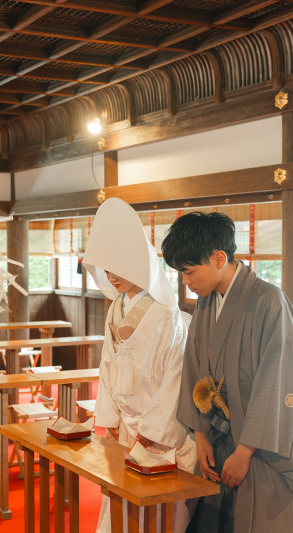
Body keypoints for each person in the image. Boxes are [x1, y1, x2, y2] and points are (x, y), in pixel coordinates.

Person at [161, 211, 293, 533]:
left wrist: (245, 452)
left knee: (259, 519)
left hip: (260, 451)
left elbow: (278, 380)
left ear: (219, 258)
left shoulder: (269, 302)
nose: (185, 281)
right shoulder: (207, 303)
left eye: (189, 271)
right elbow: (194, 368)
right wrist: (200, 435)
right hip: (219, 439)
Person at [82, 198, 198, 533]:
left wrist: (152, 432)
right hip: (127, 426)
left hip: (159, 430)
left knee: (157, 512)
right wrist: (110, 417)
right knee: (119, 505)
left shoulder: (165, 314)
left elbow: (175, 377)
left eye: (117, 267)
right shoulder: (115, 307)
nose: (111, 277)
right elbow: (106, 365)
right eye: (105, 269)